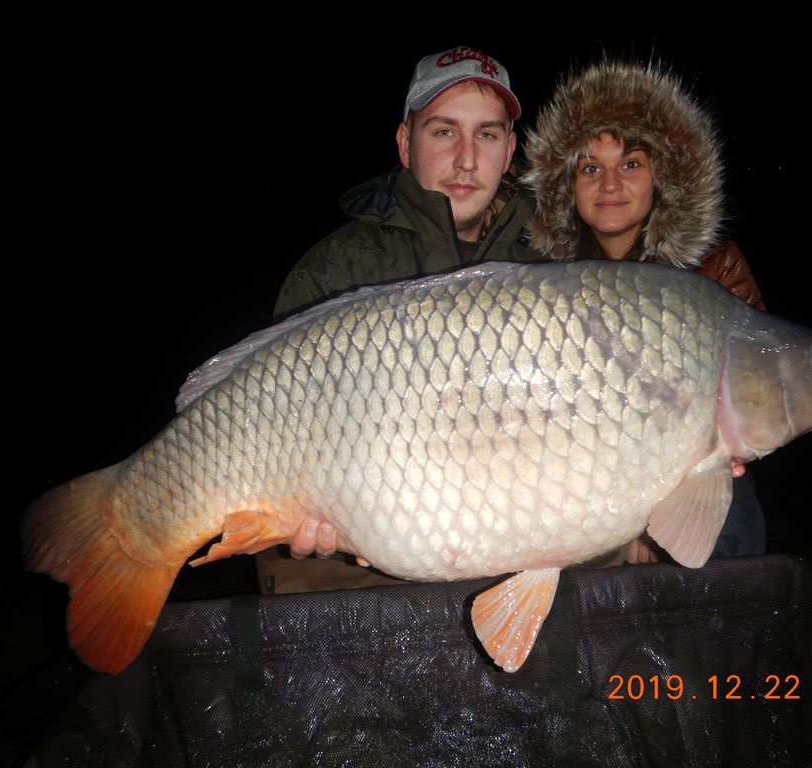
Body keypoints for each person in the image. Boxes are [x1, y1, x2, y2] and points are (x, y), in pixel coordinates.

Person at [260, 46, 544, 591]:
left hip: (513, 555)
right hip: (366, 571)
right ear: (405, 143)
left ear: (510, 151)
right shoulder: (335, 271)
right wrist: (296, 511)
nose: (466, 159)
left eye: (486, 135)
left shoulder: (547, 271)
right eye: (444, 131)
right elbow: (274, 434)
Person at [522, 61, 767, 563]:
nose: (610, 184)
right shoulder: (540, 281)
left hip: (682, 472)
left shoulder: (715, 268)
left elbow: (752, 402)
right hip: (571, 469)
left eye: (631, 164)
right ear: (567, 185)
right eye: (591, 168)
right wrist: (621, 527)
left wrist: (655, 522)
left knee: (732, 524)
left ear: (663, 176)